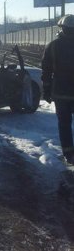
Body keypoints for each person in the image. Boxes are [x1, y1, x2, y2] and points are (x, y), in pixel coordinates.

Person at [41, 14, 74, 165]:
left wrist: (46, 90)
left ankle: (69, 154)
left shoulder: (52, 46)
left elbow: (46, 71)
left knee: (64, 124)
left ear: (63, 28)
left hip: (61, 93)